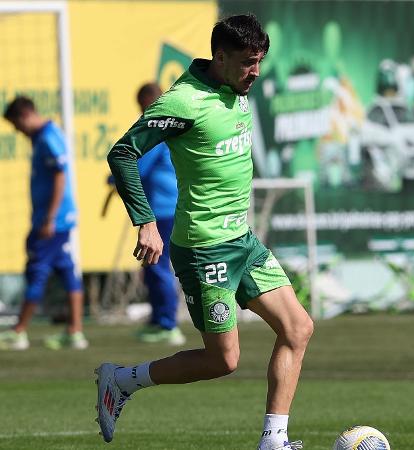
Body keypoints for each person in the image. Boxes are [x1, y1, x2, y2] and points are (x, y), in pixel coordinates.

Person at [95, 14, 313, 450]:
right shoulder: (183, 103)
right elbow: (121, 154)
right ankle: (120, 381)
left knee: (299, 328)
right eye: (248, 62)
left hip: (242, 241)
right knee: (224, 360)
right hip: (204, 250)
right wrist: (145, 222)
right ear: (220, 57)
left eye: (260, 62)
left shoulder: (238, 88)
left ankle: (274, 440)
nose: (255, 71)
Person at [0, 96, 88, 351]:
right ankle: (75, 331)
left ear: (25, 116)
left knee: (37, 270)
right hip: (58, 219)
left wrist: (49, 218)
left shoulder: (48, 137)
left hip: (53, 221)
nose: (17, 131)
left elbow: (61, 177)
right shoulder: (43, 136)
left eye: (16, 125)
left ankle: (18, 331)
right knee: (67, 271)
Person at [133, 82, 185, 344]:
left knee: (158, 266)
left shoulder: (158, 128)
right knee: (151, 266)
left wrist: (114, 179)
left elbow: (138, 165)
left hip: (164, 210)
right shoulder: (170, 125)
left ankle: (168, 325)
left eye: (142, 106)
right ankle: (158, 320)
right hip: (163, 208)